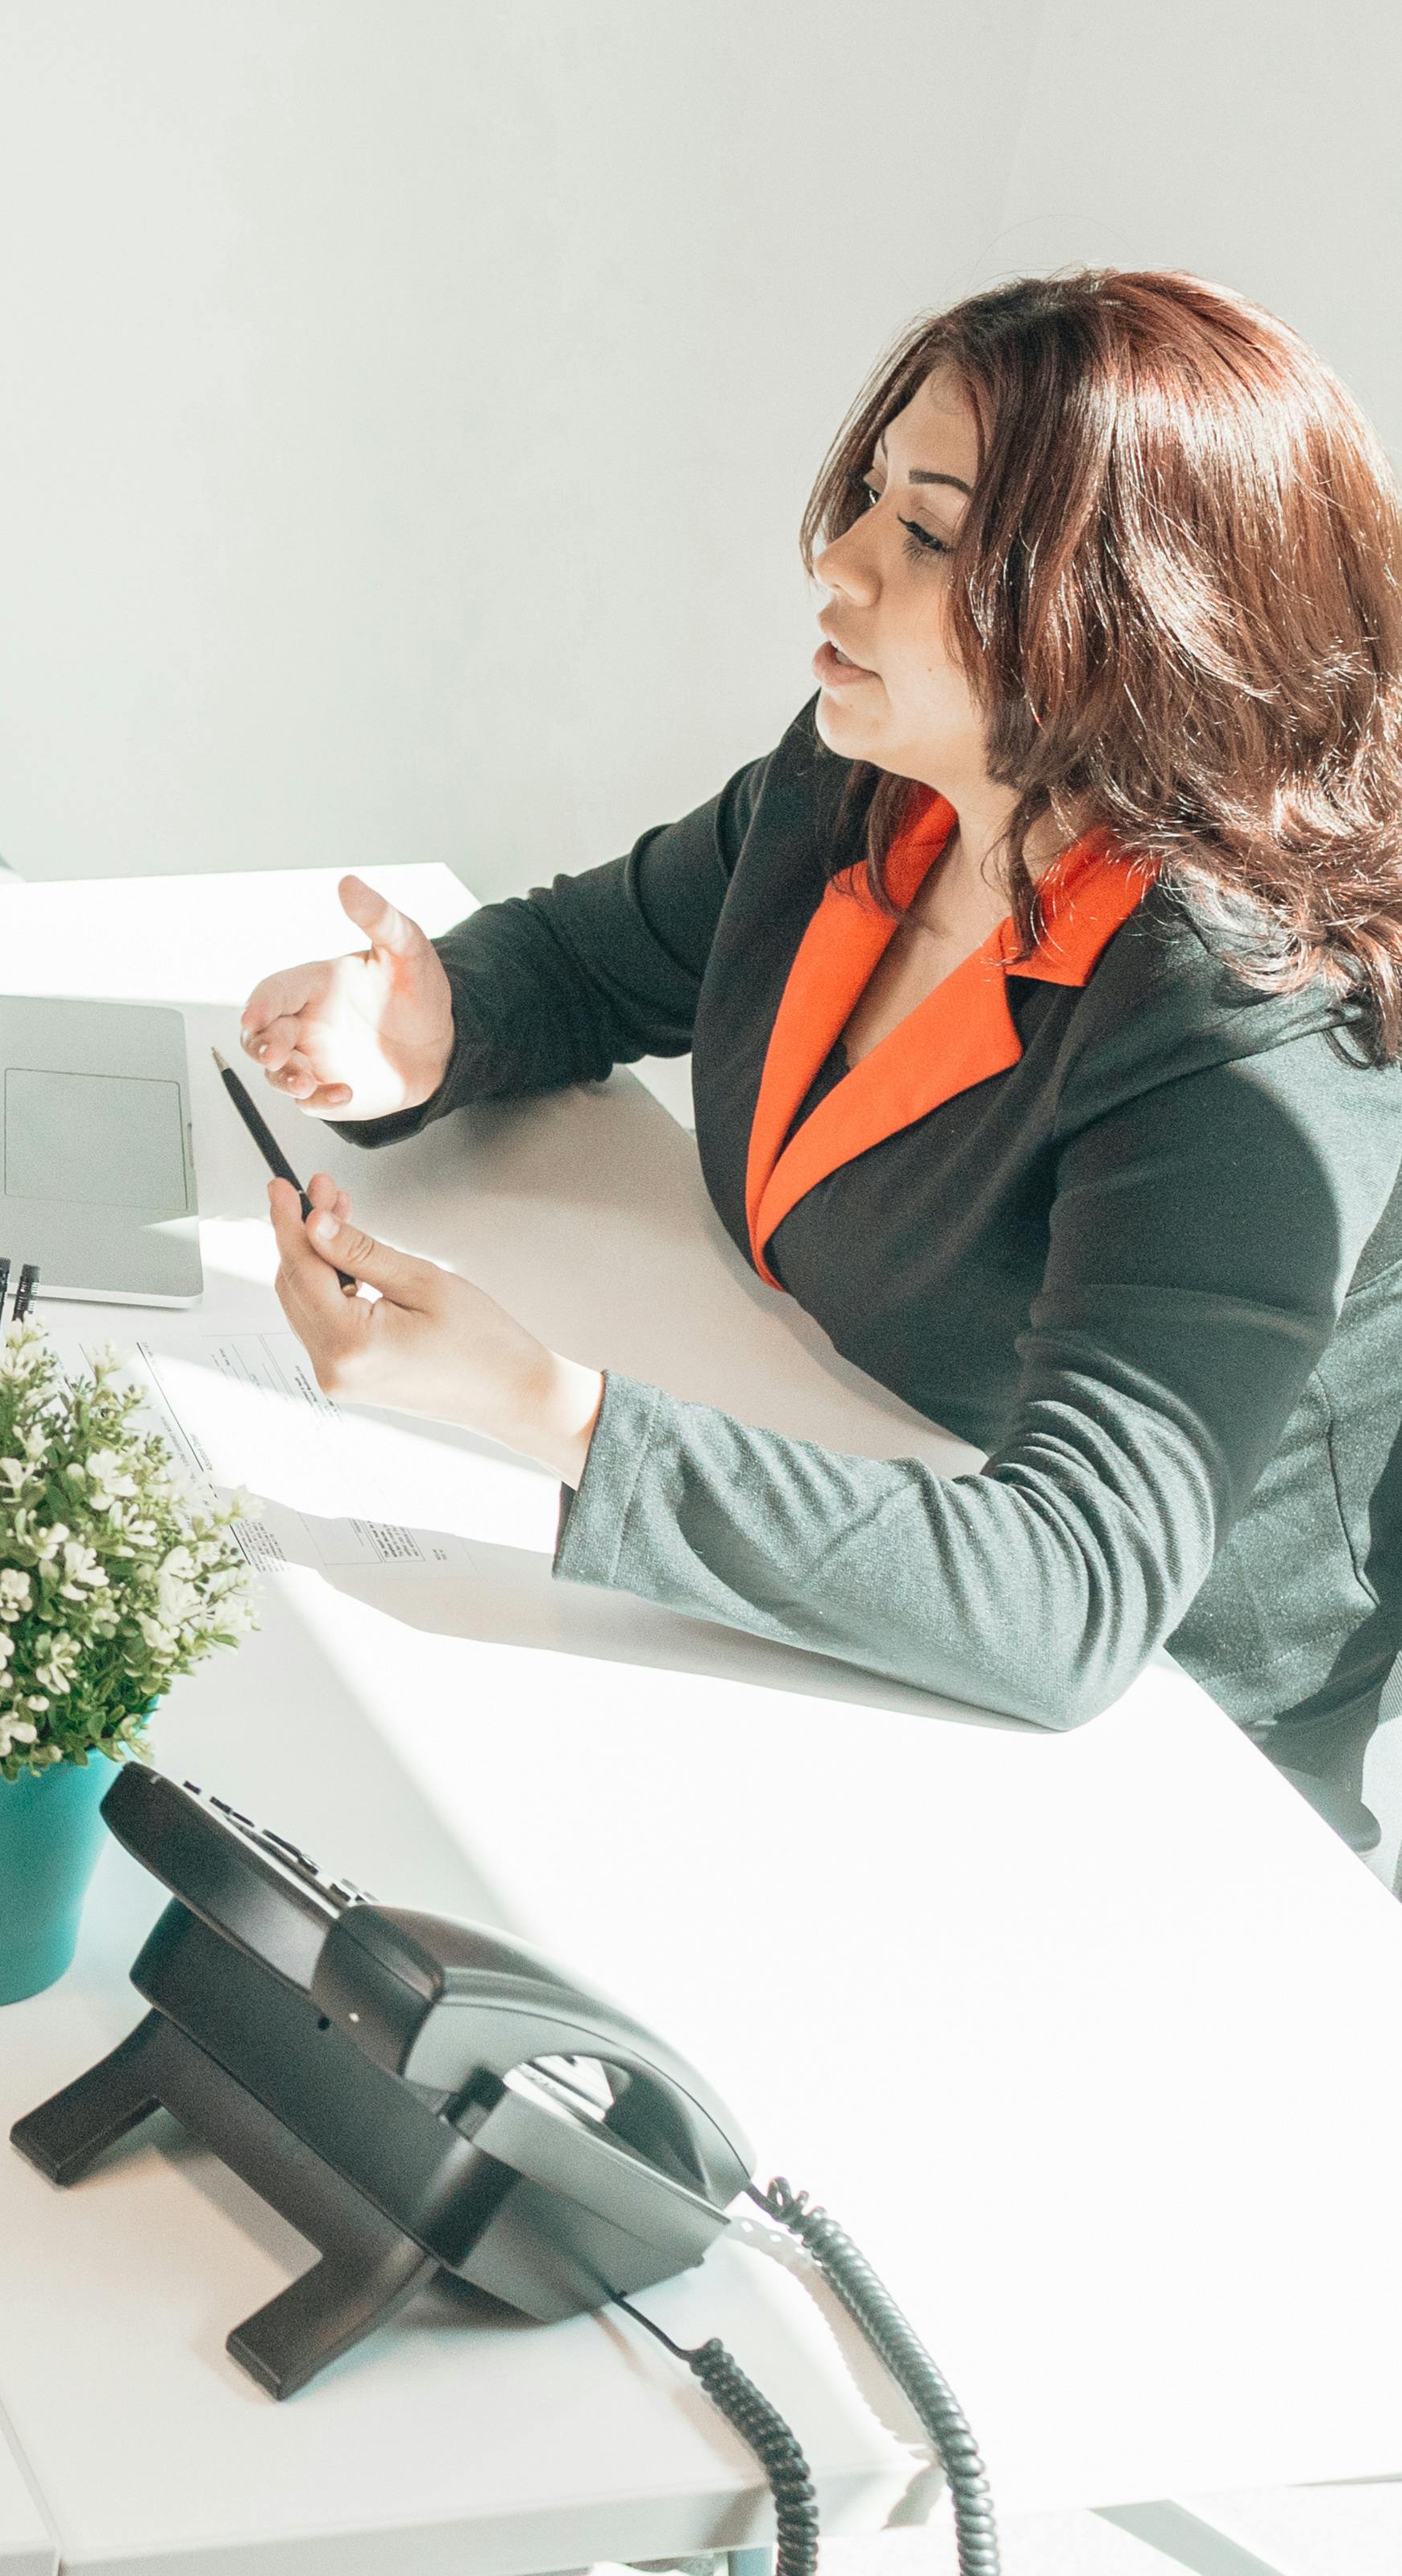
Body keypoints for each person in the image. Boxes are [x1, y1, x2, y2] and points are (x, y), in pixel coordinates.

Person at [238, 269, 1402, 1837]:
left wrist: (552, 1410)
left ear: (1133, 617)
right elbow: (594, 960)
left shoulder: (1254, 1032)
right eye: (867, 496)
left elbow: (1074, 1595)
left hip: (1152, 1772)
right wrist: (433, 1025)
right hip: (828, 1519)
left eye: (923, 535)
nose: (833, 564)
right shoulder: (875, 784)